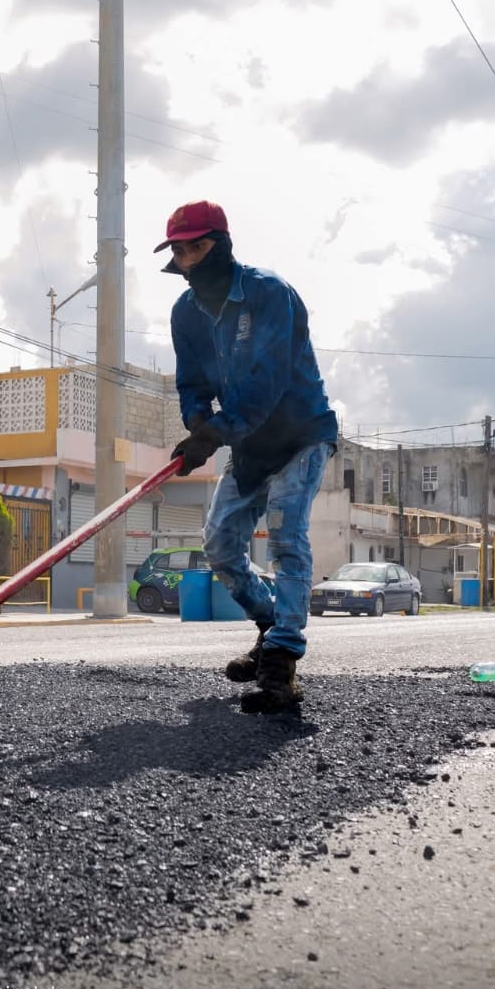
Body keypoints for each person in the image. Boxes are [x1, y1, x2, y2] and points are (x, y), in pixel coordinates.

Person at [157, 200, 338, 714]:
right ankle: (270, 626)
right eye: (180, 248)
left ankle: (281, 661)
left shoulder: (268, 294)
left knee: (285, 538)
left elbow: (266, 381)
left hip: (299, 435)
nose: (189, 256)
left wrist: (216, 433)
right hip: (248, 446)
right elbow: (191, 381)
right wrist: (197, 423)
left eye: (198, 245)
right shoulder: (184, 313)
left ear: (222, 243)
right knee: (219, 546)